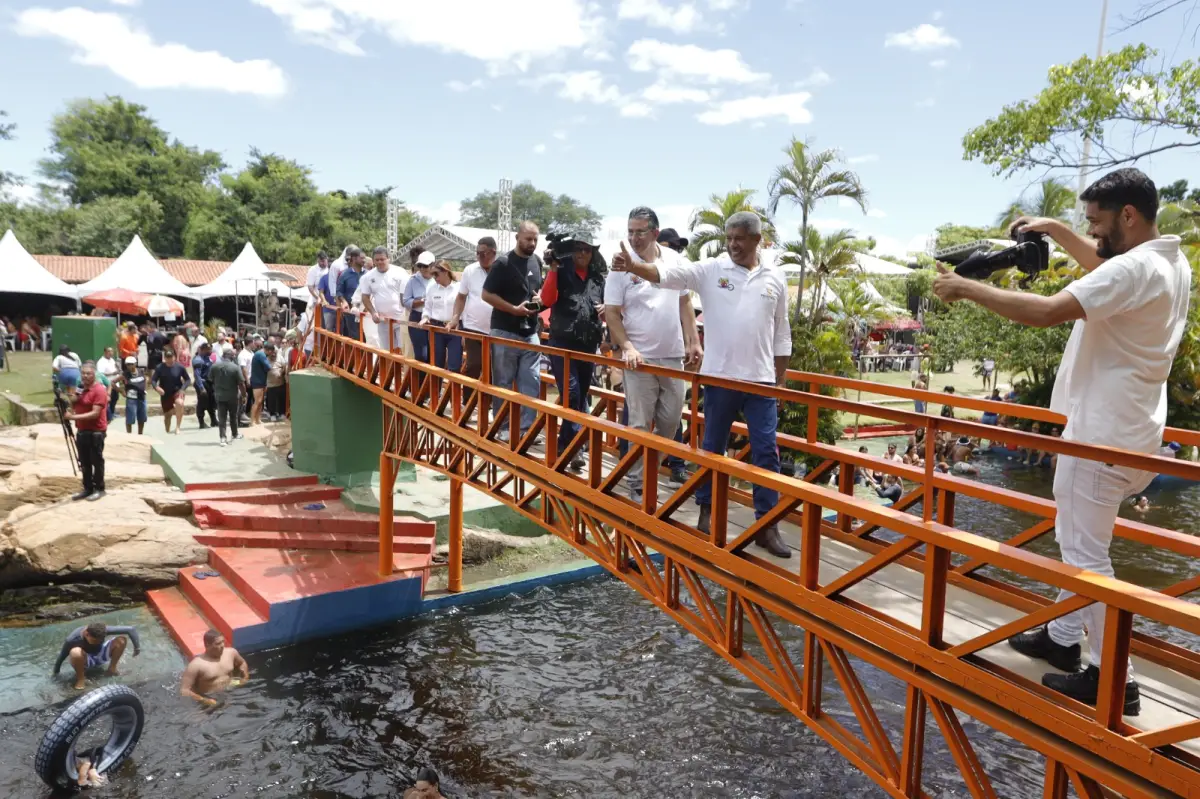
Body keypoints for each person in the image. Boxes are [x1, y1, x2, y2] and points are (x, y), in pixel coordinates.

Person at [933, 167, 1191, 714]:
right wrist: (1057, 228)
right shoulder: (1169, 260)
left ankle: (1112, 679)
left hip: (1100, 437)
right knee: (1078, 540)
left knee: (1085, 554)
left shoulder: (1136, 268)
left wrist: (965, 287)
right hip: (1132, 431)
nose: (1092, 234)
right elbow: (1105, 266)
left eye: (1098, 223)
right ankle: (1063, 639)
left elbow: (1048, 312)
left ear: (1128, 215)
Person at [612, 210, 792, 558]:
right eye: (729, 238)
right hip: (720, 377)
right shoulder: (712, 270)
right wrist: (634, 267)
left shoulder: (776, 278)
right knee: (712, 449)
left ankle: (767, 525)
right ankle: (708, 511)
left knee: (767, 453)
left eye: (740, 238)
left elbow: (782, 333)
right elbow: (667, 275)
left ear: (757, 239)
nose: (733, 245)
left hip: (761, 381)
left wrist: (780, 379)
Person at [606, 207, 702, 496]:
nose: (634, 238)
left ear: (655, 233)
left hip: (672, 355)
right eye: (630, 232)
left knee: (672, 423)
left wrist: (693, 340)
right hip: (639, 359)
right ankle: (638, 484)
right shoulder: (621, 265)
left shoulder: (674, 261)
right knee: (638, 424)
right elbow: (611, 313)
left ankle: (646, 471)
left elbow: (685, 302)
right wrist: (627, 347)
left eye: (640, 232)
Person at [542, 233, 607, 472]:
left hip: (588, 345)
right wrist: (553, 269)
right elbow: (547, 300)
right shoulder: (561, 270)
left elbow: (610, 307)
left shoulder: (598, 279)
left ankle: (568, 444)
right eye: (579, 249)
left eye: (587, 250)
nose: (582, 254)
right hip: (563, 344)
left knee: (581, 396)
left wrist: (605, 309)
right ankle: (570, 446)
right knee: (571, 394)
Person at [482, 221, 545, 442]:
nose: (532, 243)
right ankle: (504, 426)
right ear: (517, 237)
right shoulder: (503, 263)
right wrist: (513, 310)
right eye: (528, 239)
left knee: (531, 380)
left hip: (530, 331)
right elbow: (486, 295)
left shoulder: (537, 261)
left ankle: (527, 428)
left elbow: (540, 290)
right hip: (505, 330)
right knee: (503, 381)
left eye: (535, 239)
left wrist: (539, 299)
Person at [450, 236, 499, 384]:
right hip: (473, 327)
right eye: (477, 253)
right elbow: (461, 297)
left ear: (493, 252)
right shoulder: (470, 270)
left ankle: (488, 404)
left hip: (496, 330)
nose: (480, 257)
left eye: (483, 253)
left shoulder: (503, 269)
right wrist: (455, 317)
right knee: (473, 365)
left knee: (493, 368)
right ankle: (467, 403)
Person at [63, 363, 109, 501]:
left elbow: (95, 413)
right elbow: (73, 403)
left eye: (88, 373)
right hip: (82, 430)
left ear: (94, 374)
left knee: (96, 460)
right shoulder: (81, 389)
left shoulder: (99, 390)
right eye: (83, 373)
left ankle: (99, 488)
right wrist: (72, 397)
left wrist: (73, 417)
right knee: (84, 461)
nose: (85, 376)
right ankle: (87, 488)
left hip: (96, 431)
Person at [52, 621, 140, 690]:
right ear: (86, 634)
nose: (98, 643)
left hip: (101, 654)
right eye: (95, 641)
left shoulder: (102, 630)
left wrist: (137, 648)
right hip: (86, 660)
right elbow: (60, 659)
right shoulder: (72, 640)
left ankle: (112, 669)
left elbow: (131, 629)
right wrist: (55, 676)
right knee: (75, 652)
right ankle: (81, 679)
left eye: (100, 640)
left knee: (121, 640)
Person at [359, 245, 410, 353]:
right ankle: (390, 370)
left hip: (400, 319)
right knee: (387, 351)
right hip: (383, 321)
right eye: (377, 260)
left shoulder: (400, 272)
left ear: (388, 259)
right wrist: (373, 313)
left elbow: (407, 295)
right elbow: (365, 297)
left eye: (382, 259)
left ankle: (402, 370)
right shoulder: (367, 277)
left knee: (403, 350)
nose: (380, 262)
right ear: (373, 261)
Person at [180, 629, 249, 706]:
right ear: (207, 645)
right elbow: (184, 690)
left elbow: (242, 663)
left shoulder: (231, 653)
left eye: (223, 641)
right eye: (218, 643)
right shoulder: (196, 665)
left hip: (231, 688)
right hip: (209, 697)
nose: (222, 645)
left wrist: (245, 677)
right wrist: (204, 700)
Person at [423, 260, 463, 372]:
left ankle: (451, 389)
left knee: (454, 365)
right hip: (437, 328)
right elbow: (427, 307)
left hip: (455, 329)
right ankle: (436, 390)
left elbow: (465, 308)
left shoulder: (459, 288)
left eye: (436, 274)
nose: (434, 277)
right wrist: (425, 317)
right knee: (436, 365)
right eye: (432, 274)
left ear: (445, 271)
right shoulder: (432, 288)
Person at [404, 251, 436, 362]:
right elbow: (406, 301)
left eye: (425, 266)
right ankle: (421, 379)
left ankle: (433, 379)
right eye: (420, 266)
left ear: (433, 265)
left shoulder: (439, 279)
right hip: (417, 317)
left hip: (435, 319)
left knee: (435, 355)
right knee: (422, 355)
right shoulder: (412, 280)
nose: (422, 269)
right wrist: (422, 301)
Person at [211, 348, 247, 445]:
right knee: (233, 416)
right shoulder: (235, 367)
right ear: (232, 356)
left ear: (223, 355)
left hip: (219, 396)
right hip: (232, 396)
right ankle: (234, 434)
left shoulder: (214, 366)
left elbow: (210, 380)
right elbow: (241, 384)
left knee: (222, 417)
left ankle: (223, 438)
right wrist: (244, 395)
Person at [151, 348, 191, 434]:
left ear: (174, 357)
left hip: (177, 391)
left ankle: (178, 427)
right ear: (164, 358)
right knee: (167, 416)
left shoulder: (180, 367)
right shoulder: (160, 367)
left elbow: (188, 380)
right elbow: (153, 380)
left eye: (171, 357)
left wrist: (182, 389)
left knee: (180, 403)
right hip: (165, 393)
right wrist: (157, 388)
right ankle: (167, 430)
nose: (169, 359)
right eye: (167, 357)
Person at [336, 246, 367, 340]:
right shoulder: (344, 275)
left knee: (367, 337)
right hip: (351, 311)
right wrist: (344, 301)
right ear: (354, 259)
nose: (364, 260)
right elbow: (339, 292)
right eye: (362, 258)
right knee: (355, 337)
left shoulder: (368, 274)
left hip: (366, 310)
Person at [117, 356, 148, 435]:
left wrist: (145, 388)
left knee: (142, 417)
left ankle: (140, 435)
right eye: (127, 364)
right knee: (130, 418)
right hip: (131, 399)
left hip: (142, 397)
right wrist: (121, 391)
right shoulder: (125, 374)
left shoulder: (141, 371)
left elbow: (146, 379)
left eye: (131, 364)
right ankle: (129, 435)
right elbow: (113, 382)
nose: (129, 366)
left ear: (135, 364)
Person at [192, 343, 217, 430]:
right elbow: (197, 375)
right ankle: (201, 422)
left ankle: (214, 420)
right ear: (203, 350)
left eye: (211, 349)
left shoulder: (207, 358)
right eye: (208, 349)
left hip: (209, 383)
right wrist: (201, 388)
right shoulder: (198, 360)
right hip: (202, 383)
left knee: (211, 401)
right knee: (202, 402)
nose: (210, 351)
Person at [250, 341, 273, 425]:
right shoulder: (261, 355)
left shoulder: (260, 354)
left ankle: (258, 419)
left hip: (262, 380)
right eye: (271, 352)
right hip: (257, 381)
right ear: (269, 350)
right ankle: (252, 421)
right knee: (257, 401)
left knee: (261, 402)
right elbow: (268, 367)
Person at [96, 346, 121, 422]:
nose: (111, 353)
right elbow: (101, 374)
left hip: (115, 383)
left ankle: (112, 413)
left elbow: (116, 369)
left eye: (112, 351)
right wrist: (112, 373)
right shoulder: (101, 362)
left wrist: (117, 368)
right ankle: (108, 415)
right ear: (105, 352)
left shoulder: (112, 360)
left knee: (115, 398)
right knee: (108, 400)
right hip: (107, 384)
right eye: (109, 351)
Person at [265, 341, 287, 421]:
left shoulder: (280, 357)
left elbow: (284, 367)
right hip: (270, 384)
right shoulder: (266, 359)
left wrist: (281, 373)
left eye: (275, 353)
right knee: (271, 400)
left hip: (280, 383)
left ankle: (281, 413)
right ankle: (272, 414)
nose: (273, 355)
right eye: (272, 353)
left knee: (281, 399)